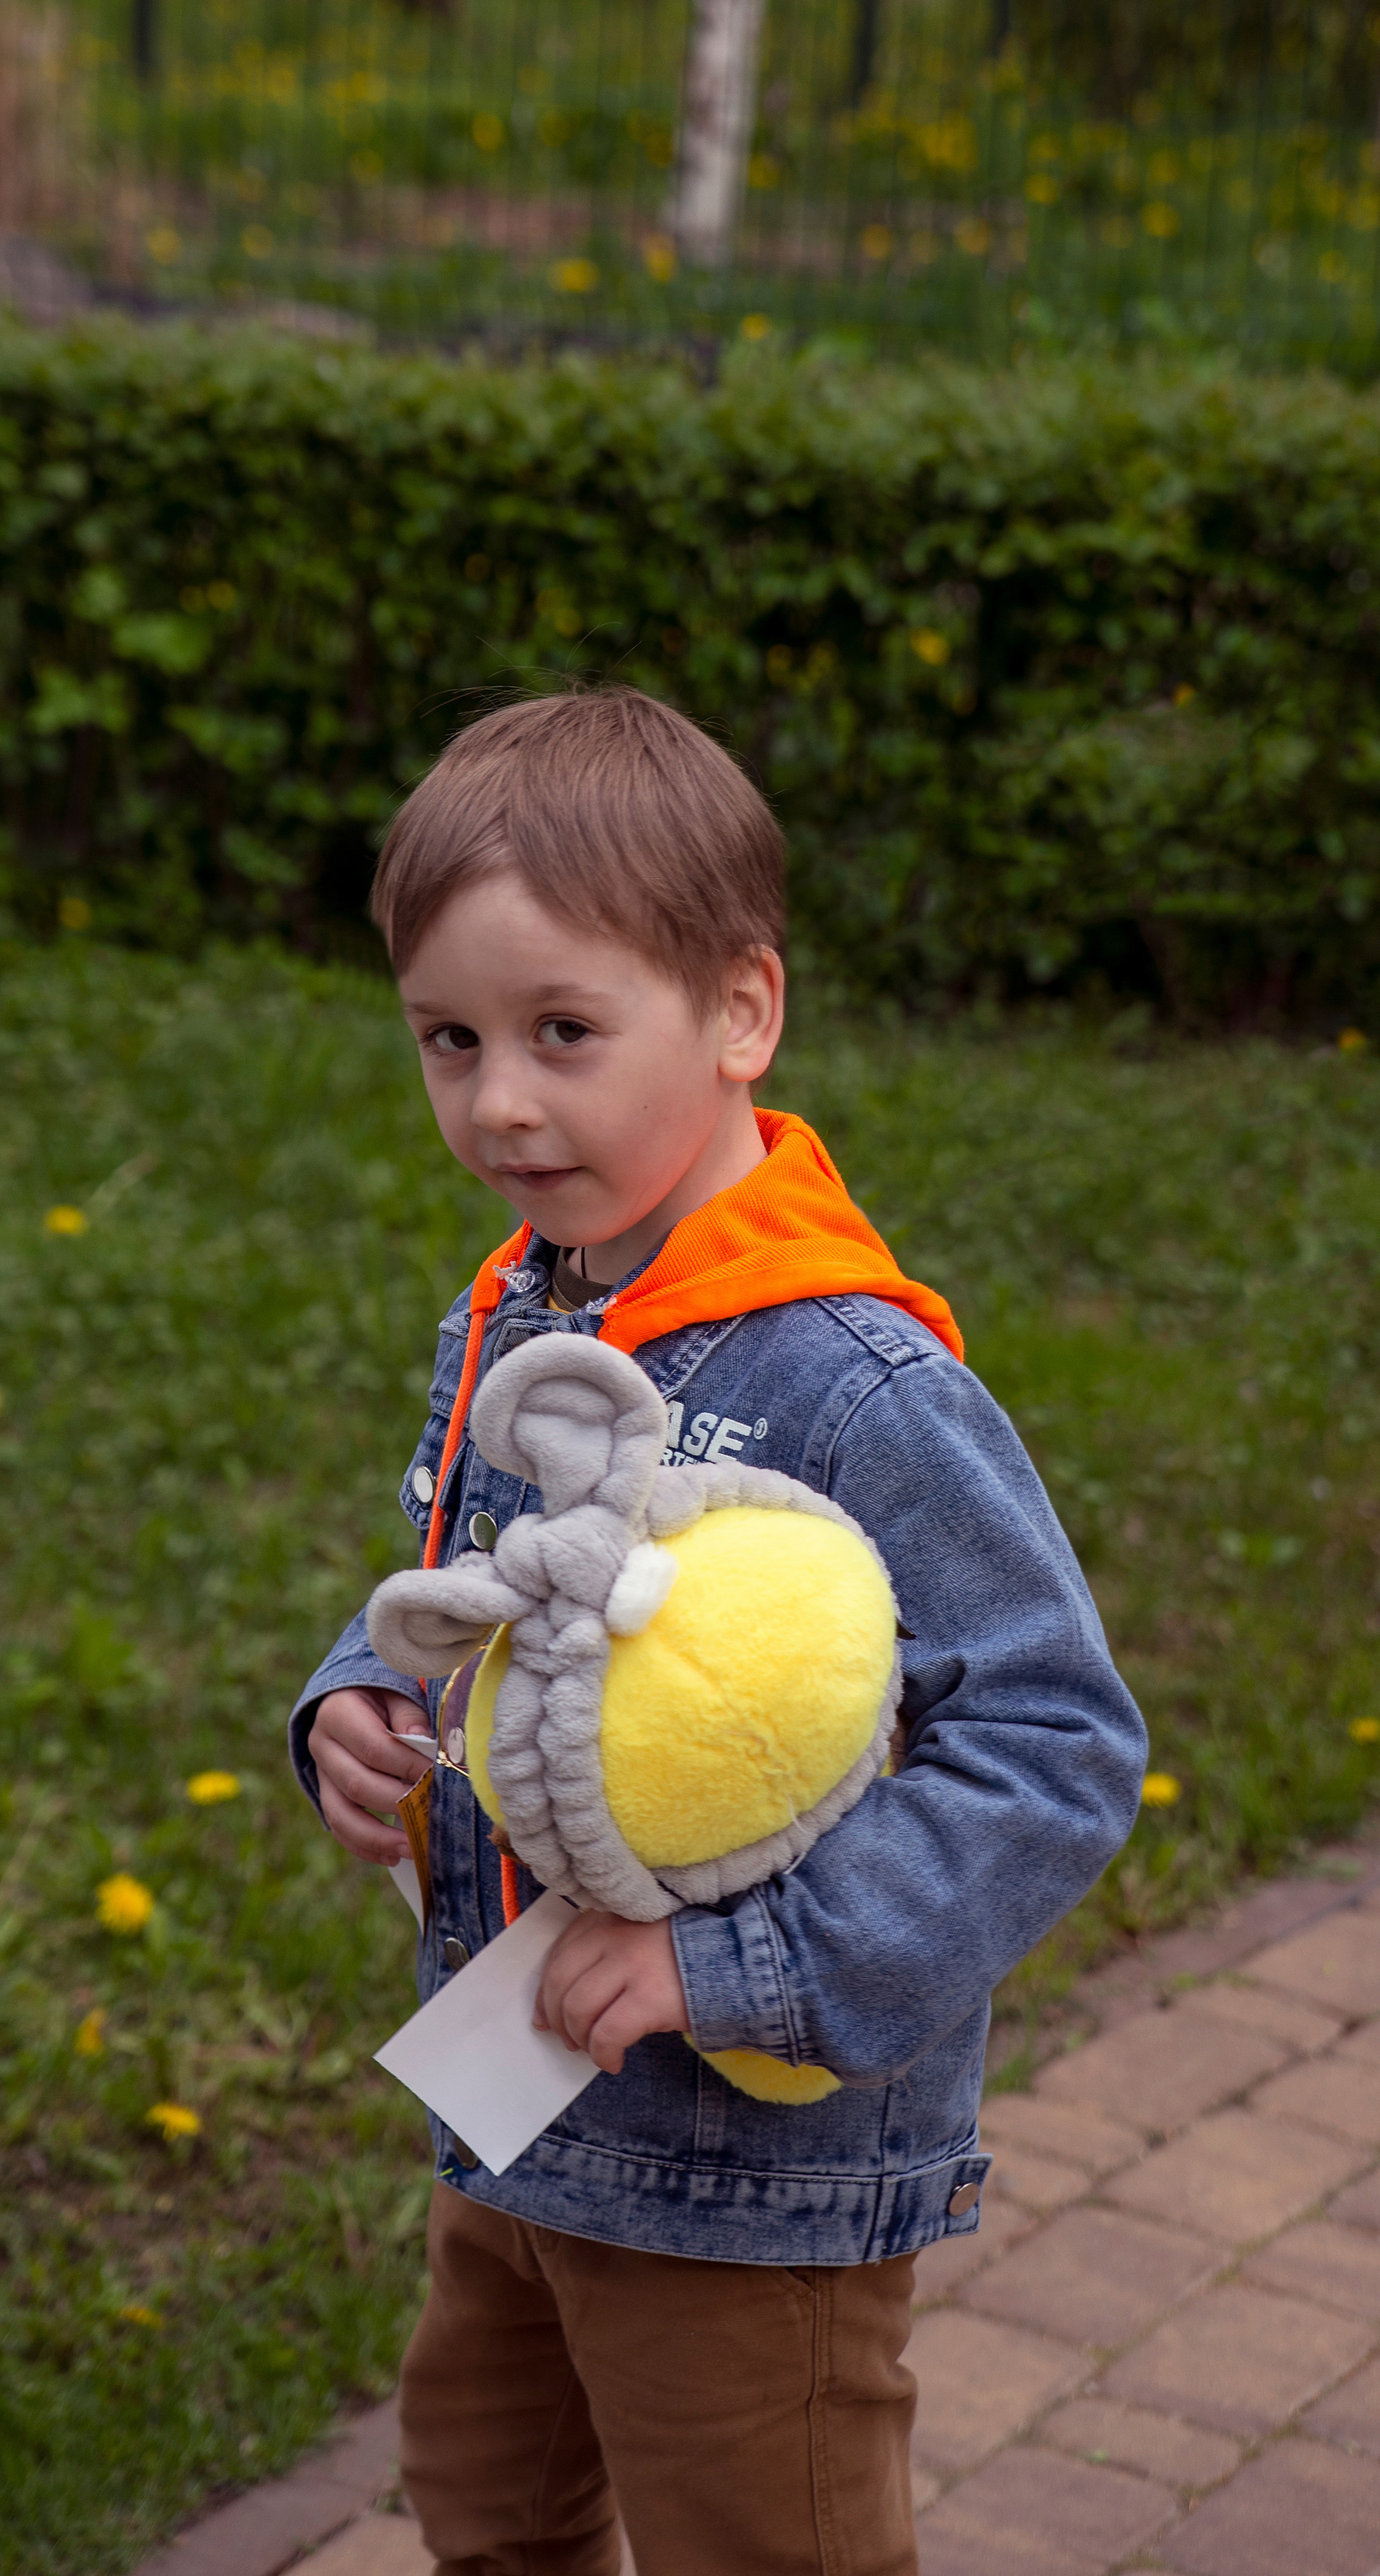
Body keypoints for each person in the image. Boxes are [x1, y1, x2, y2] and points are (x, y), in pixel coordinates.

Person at [289, 688, 1146, 2576]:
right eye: (448, 1038)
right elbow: (480, 1592)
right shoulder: (525, 1314)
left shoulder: (851, 1383)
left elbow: (1057, 1746)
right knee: (488, 2504)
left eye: (562, 1032)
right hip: (517, 2099)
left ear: (739, 1011)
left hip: (743, 2179)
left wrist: (735, 1966)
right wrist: (360, 1698)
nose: (498, 1102)